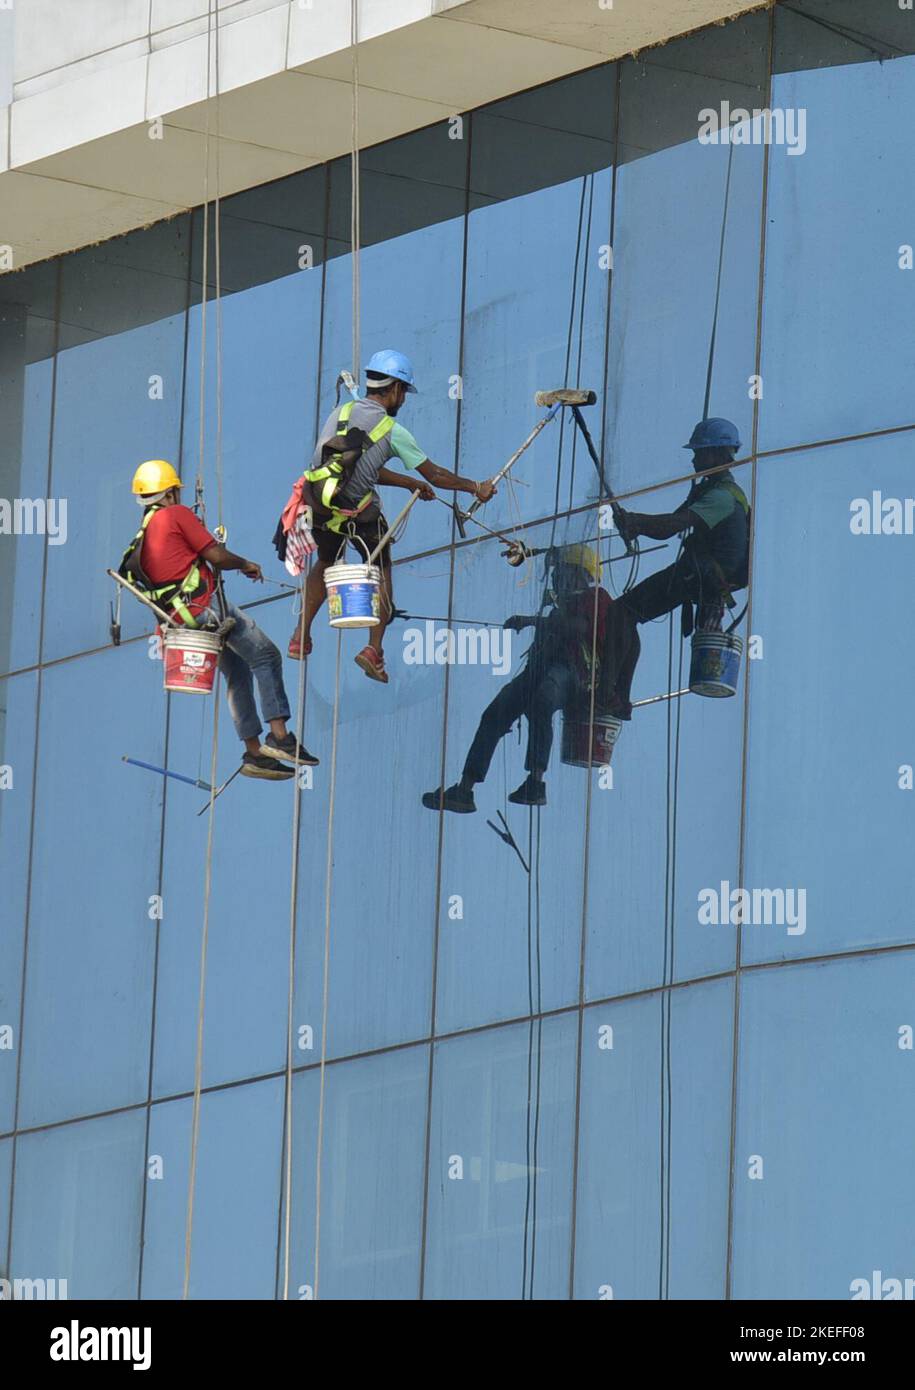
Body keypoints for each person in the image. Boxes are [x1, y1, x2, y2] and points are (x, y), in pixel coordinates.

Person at [286, 349, 496, 684]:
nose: (403, 401)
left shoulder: (342, 411)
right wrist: (475, 487)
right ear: (395, 389)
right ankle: (374, 650)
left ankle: (301, 635)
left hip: (320, 504)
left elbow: (358, 468)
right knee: (381, 569)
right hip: (357, 512)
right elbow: (437, 475)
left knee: (325, 562)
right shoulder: (392, 430)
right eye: (404, 393)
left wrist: (407, 482)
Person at [120, 459, 318, 781]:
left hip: (181, 621)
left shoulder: (145, 536)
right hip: (205, 609)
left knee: (238, 671)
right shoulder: (175, 515)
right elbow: (216, 556)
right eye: (176, 493)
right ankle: (280, 737)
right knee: (266, 655)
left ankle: (255, 754)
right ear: (169, 493)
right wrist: (245, 563)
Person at [422, 544, 611, 811]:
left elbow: (580, 627)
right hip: (545, 671)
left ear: (578, 573)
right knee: (495, 714)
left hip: (575, 673)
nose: (556, 578)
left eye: (561, 572)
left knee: (541, 703)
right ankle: (465, 789)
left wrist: (532, 621)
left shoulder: (596, 599)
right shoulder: (561, 608)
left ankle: (535, 783)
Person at [603, 417, 750, 716]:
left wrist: (636, 522)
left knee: (622, 613)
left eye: (700, 452)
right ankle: (619, 698)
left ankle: (612, 696)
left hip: (700, 576)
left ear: (719, 454)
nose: (694, 458)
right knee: (627, 615)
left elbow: (672, 526)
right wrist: (637, 524)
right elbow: (670, 521)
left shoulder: (721, 497)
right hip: (701, 576)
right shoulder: (714, 491)